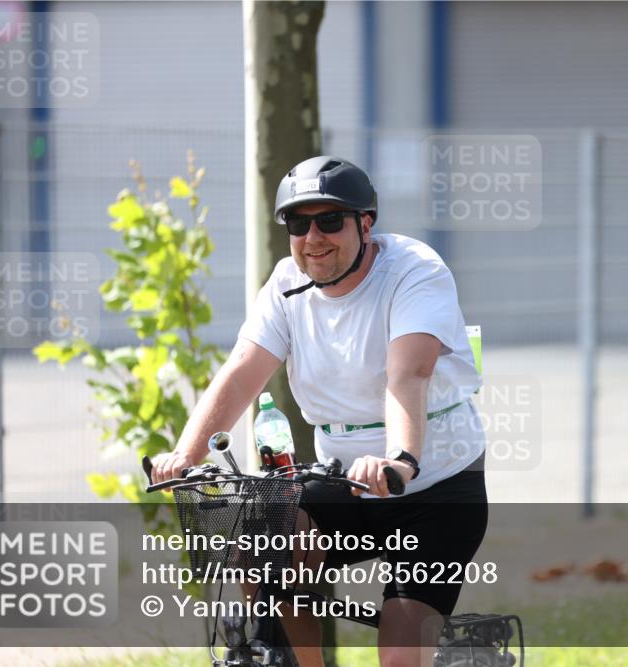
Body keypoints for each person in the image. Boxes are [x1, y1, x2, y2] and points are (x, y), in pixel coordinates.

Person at [150, 155, 487, 667]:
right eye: (298, 223)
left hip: (435, 485)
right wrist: (185, 454)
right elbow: (243, 370)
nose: (314, 237)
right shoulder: (286, 284)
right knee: (269, 533)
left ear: (365, 223)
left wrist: (400, 459)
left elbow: (409, 373)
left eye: (330, 220)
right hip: (346, 481)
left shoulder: (415, 271)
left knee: (400, 656)